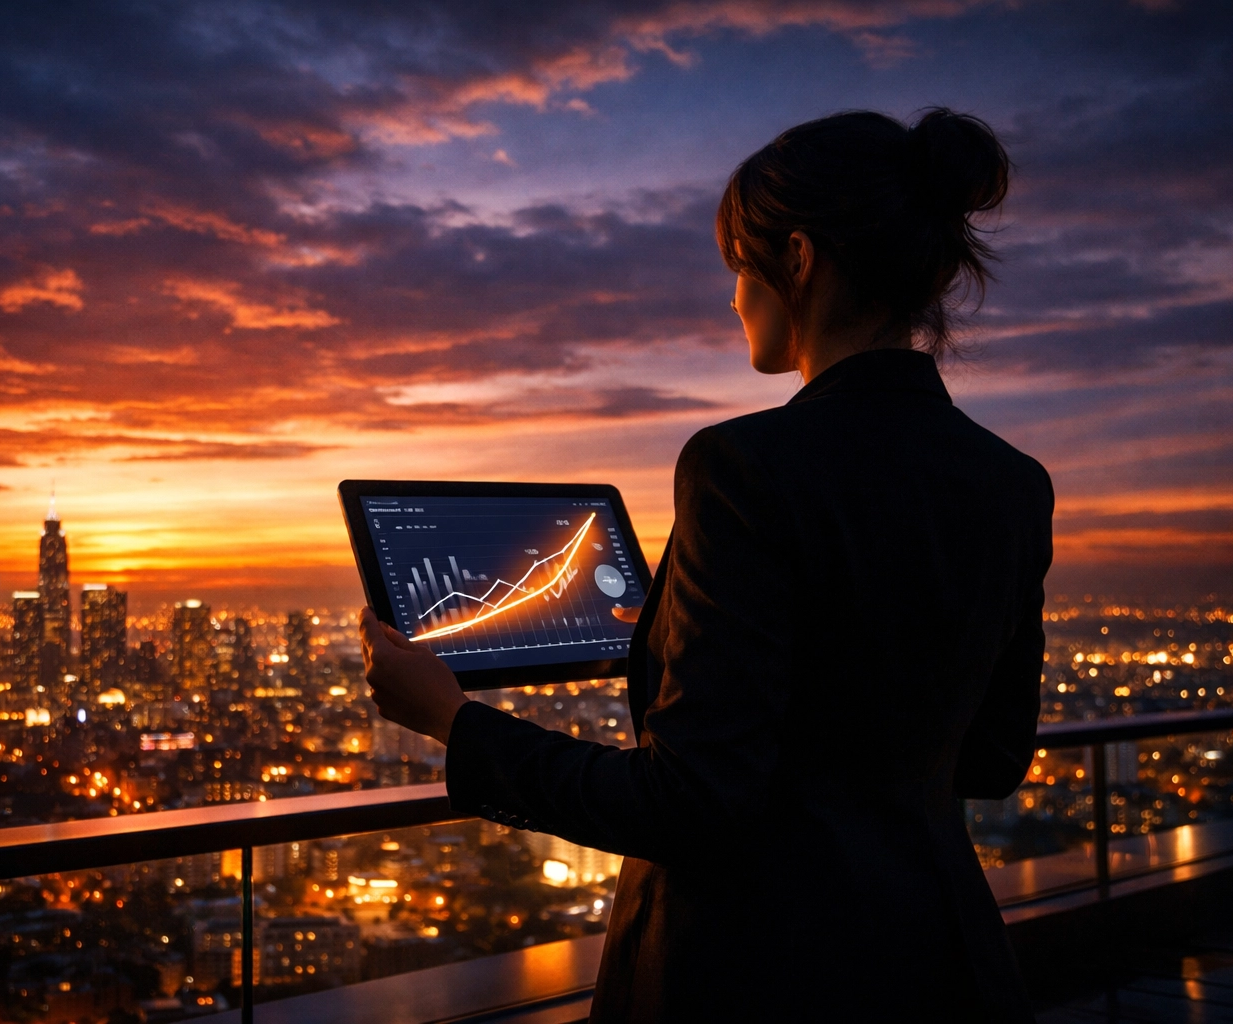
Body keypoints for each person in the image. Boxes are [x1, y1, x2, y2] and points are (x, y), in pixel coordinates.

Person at [359, 108, 1053, 1023]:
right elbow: (995, 756)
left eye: (738, 264)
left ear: (797, 260)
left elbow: (688, 801)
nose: (732, 297)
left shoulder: (744, 466)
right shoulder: (1010, 481)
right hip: (940, 959)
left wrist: (453, 720)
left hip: (755, 972)